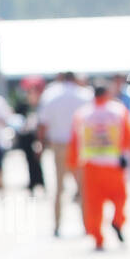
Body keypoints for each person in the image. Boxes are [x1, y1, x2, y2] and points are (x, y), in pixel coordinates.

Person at [68, 82, 130, 252]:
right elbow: (128, 136)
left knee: (94, 205)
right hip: (113, 165)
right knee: (120, 198)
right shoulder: (119, 111)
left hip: (91, 166)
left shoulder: (82, 114)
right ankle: (118, 221)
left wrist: (73, 164)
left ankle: (98, 238)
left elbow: (74, 141)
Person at [37, 72, 93, 237]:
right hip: (80, 145)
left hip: (59, 144)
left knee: (59, 187)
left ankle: (56, 224)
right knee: (83, 187)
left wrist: (41, 144)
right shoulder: (85, 95)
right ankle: (86, 224)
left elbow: (43, 123)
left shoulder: (51, 95)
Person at [13, 76, 46, 193]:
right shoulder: (23, 106)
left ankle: (41, 182)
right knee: (29, 160)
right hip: (25, 136)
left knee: (38, 159)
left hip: (36, 136)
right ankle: (32, 182)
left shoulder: (41, 105)